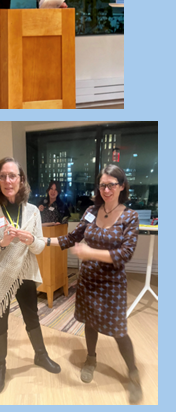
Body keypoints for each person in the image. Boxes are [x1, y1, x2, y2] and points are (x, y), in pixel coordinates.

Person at [47, 164, 141, 403]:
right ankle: (91, 358)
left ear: (121, 186)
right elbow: (71, 238)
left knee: (119, 330)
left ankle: (133, 372)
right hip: (88, 281)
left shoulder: (130, 216)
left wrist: (90, 253)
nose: (106, 190)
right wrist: (43, 242)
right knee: (90, 322)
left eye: (111, 185)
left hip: (112, 284)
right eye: (102, 185)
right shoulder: (91, 211)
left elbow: (125, 254)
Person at [0, 157, 60, 394]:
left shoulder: (32, 211)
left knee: (32, 316)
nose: (8, 181)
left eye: (13, 176)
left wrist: (32, 240)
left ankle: (41, 356)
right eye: (3, 176)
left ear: (21, 180)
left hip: (25, 272)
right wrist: (1, 243)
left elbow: (40, 245)